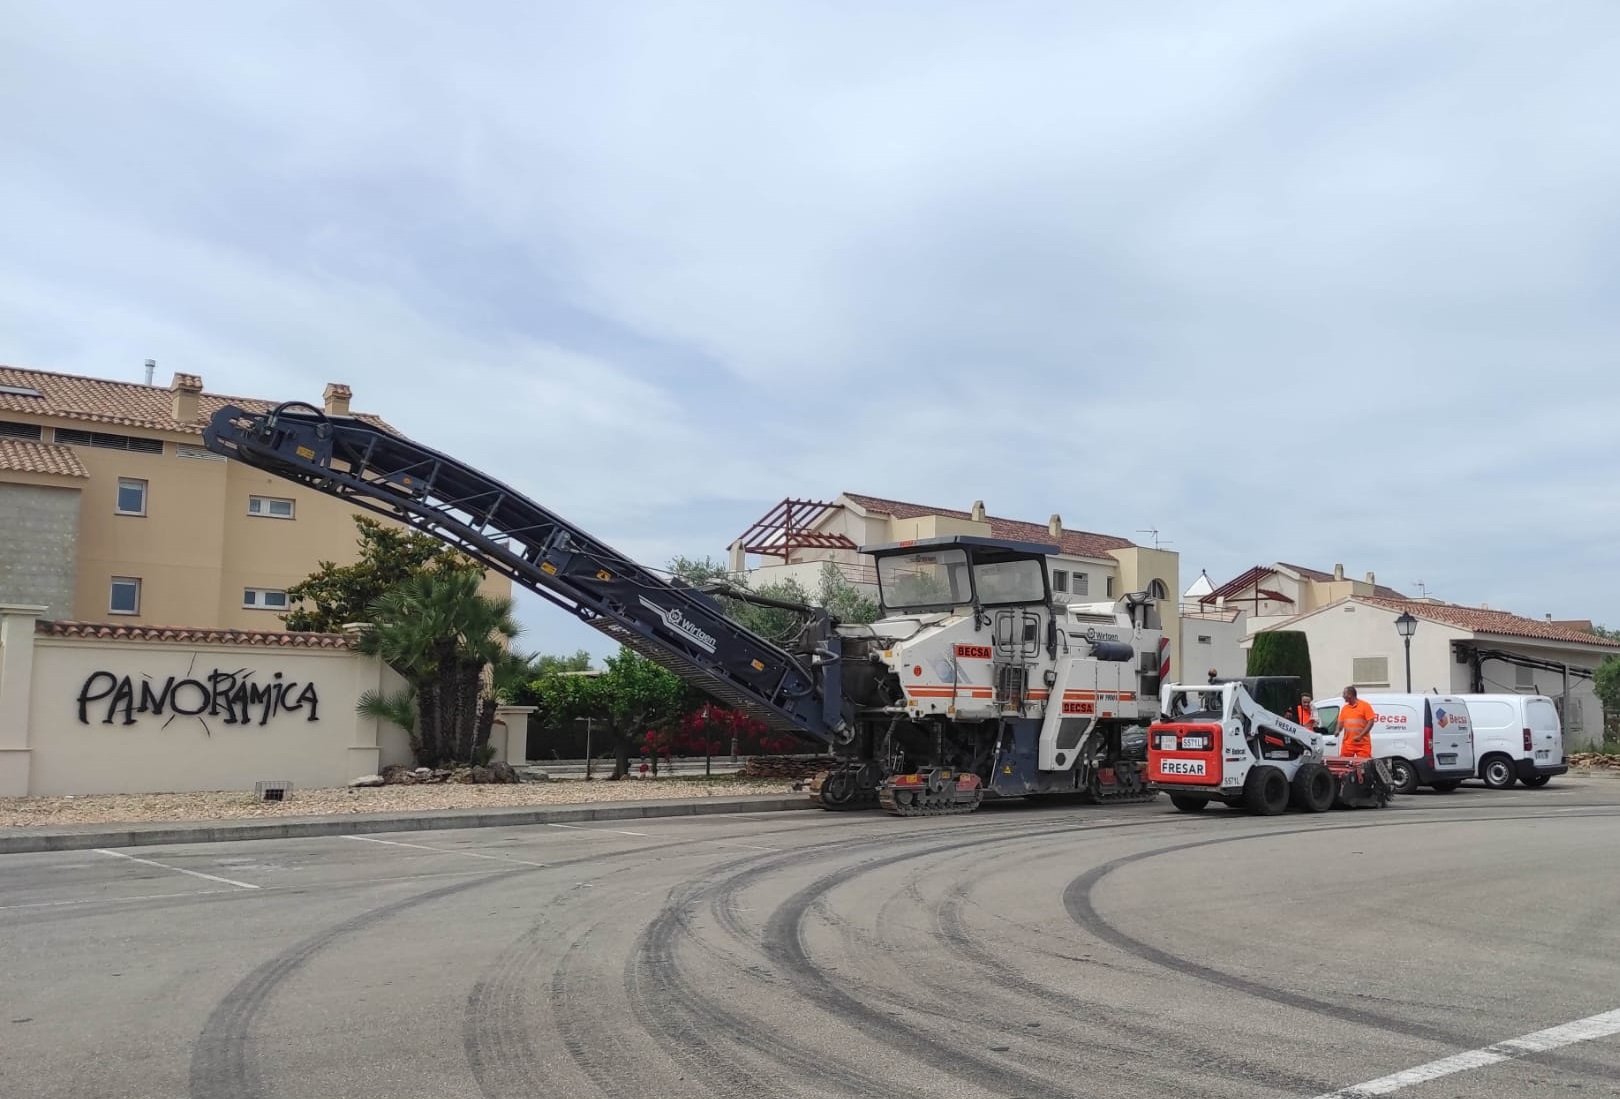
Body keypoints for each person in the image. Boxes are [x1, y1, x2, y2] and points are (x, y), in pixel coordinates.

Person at [1336, 686, 1376, 759]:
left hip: (1363, 744)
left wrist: (1360, 736)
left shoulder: (1365, 706)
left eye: (1344, 694)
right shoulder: (1345, 708)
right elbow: (1340, 722)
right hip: (1348, 744)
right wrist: (1337, 730)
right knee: (1345, 763)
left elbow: (1371, 722)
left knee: (1363, 764)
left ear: (1350, 695)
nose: (1343, 696)